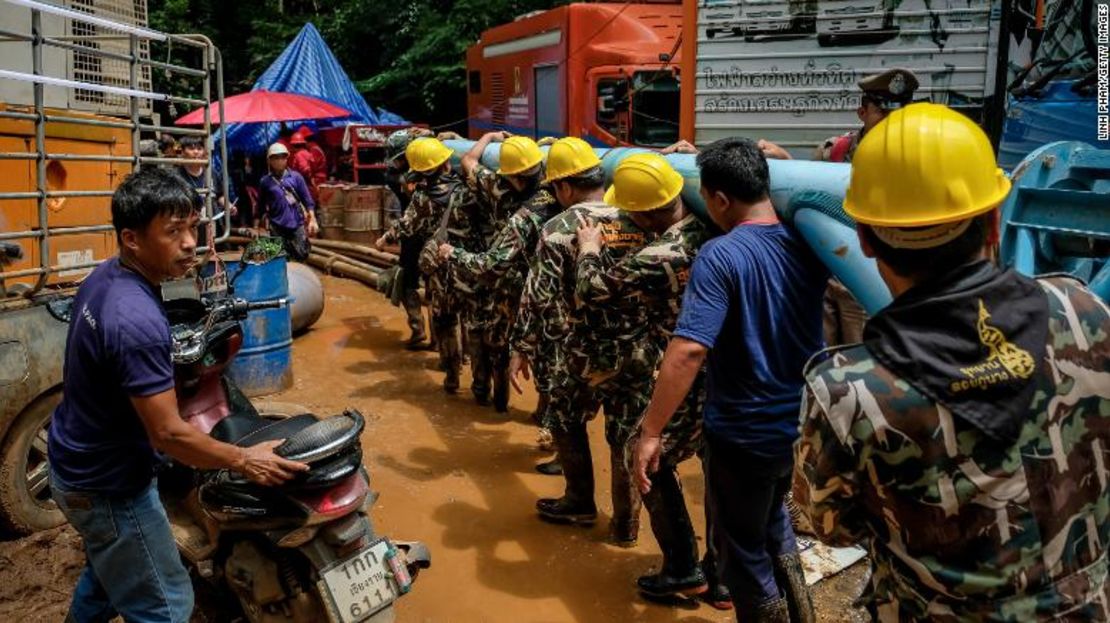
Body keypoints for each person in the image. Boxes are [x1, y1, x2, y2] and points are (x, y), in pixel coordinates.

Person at [794, 103, 1110, 621]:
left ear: (867, 240)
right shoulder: (1084, 312)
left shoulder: (848, 392)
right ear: (991, 222)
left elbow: (831, 525)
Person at [47, 167, 308, 623]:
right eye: (173, 231)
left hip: (74, 461)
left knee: (109, 573)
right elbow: (168, 434)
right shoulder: (136, 322)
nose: (190, 242)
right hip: (108, 485)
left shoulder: (107, 276)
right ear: (131, 238)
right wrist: (246, 460)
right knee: (166, 605)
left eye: (193, 226)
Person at [633, 138, 828, 622]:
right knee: (775, 523)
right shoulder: (807, 242)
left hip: (744, 430)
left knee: (742, 552)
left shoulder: (722, 255)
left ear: (719, 199)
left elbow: (690, 349)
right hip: (798, 424)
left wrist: (652, 431)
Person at [572, 153, 725, 605]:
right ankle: (721, 577)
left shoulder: (659, 254)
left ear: (643, 214)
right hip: (727, 374)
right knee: (718, 470)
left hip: (685, 371)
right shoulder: (707, 226)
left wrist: (590, 250)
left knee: (647, 457)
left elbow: (591, 291)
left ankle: (682, 567)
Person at [449, 132, 551, 411]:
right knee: (544, 348)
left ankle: (493, 398)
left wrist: (488, 137)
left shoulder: (497, 186)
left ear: (513, 177)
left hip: (506, 280)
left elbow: (468, 160)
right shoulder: (555, 189)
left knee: (496, 340)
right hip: (544, 287)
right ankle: (542, 414)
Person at [378, 137, 474, 393]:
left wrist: (385, 238)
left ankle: (452, 375)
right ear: (445, 164)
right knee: (467, 316)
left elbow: (407, 225)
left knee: (445, 320)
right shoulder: (466, 189)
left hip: (439, 266)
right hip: (466, 261)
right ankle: (479, 382)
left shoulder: (421, 196)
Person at [381, 128, 433, 349]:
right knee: (433, 289)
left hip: (414, 236)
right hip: (431, 237)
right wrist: (426, 134)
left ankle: (418, 329)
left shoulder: (399, 176)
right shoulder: (428, 171)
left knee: (406, 282)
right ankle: (436, 338)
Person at [258, 142, 317, 261]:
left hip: (296, 223)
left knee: (302, 254)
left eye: (282, 157)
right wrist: (258, 225)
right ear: (269, 161)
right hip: (277, 225)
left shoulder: (296, 178)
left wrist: (313, 220)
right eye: (275, 158)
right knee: (280, 258)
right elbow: (261, 205)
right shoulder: (265, 182)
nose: (279, 161)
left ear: (286, 159)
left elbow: (307, 200)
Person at [176, 135, 235, 220]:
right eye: (191, 148)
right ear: (182, 152)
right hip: (188, 223)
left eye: (199, 148)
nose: (196, 152)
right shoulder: (177, 175)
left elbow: (219, 195)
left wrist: (228, 205)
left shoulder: (211, 172)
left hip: (212, 222)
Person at [288, 133, 318, 203]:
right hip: (310, 185)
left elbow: (305, 169)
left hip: (303, 185)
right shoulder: (307, 153)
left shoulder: (299, 155)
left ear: (293, 145)